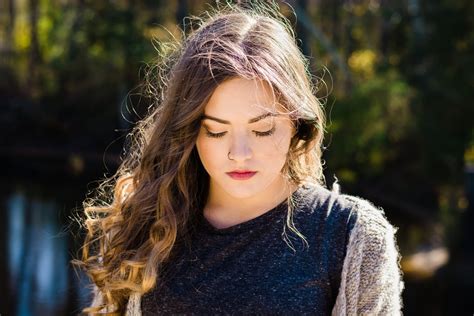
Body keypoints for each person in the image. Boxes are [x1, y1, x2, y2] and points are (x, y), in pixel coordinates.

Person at [72, 1, 404, 315]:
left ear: (296, 124)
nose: (239, 154)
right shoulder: (143, 224)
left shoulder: (353, 237)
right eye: (216, 131)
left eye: (262, 130)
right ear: (188, 131)